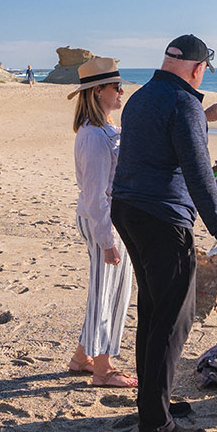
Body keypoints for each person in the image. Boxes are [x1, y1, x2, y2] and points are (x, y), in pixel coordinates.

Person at [110, 34, 217, 432]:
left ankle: (153, 404)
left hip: (128, 209)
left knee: (153, 310)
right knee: (174, 319)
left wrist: (200, 116)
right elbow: (200, 176)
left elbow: (164, 139)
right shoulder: (184, 105)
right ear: (199, 70)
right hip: (162, 217)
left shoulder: (144, 97)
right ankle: (156, 428)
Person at [65, 56, 136, 387]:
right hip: (102, 221)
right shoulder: (94, 137)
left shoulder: (105, 129)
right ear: (97, 92)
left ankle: (82, 357)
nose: (122, 92)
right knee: (108, 292)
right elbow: (96, 197)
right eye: (116, 87)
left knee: (104, 290)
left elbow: (133, 139)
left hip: (105, 220)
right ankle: (103, 370)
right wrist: (107, 242)